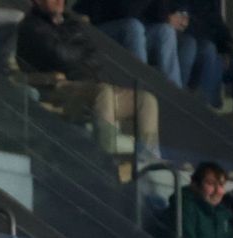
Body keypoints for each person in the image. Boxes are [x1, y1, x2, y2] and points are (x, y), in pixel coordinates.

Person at [17, 0, 159, 155]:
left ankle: (148, 159)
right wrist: (78, 50)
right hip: (57, 87)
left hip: (88, 85)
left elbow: (94, 57)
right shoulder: (31, 26)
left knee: (146, 100)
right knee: (103, 92)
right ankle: (105, 154)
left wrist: (73, 49)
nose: (59, 1)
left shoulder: (70, 23)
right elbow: (59, 55)